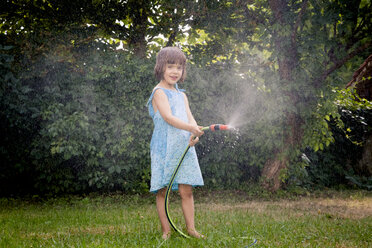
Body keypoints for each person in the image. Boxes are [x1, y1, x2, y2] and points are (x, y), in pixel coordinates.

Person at [147, 47, 205, 240]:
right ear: (160, 67)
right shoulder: (158, 92)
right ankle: (166, 231)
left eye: (179, 68)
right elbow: (169, 118)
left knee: (186, 190)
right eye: (170, 66)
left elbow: (191, 118)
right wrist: (190, 127)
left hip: (183, 145)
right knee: (163, 190)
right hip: (164, 146)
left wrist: (195, 132)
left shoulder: (182, 95)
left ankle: (191, 229)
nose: (175, 71)